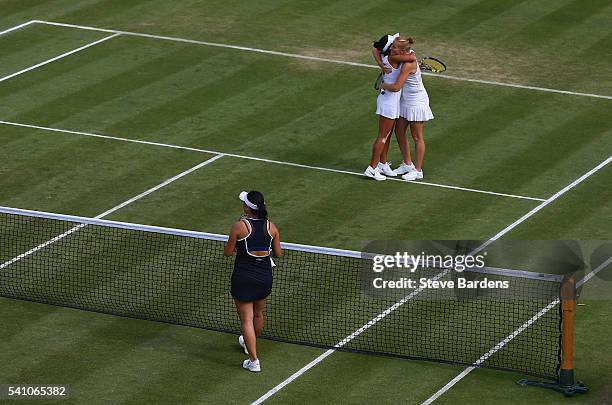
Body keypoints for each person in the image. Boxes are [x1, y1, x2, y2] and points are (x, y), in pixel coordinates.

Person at [224, 190, 282, 372]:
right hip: (264, 277)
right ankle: (249, 345)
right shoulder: (271, 227)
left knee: (246, 320)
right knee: (258, 314)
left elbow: (228, 252)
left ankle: (254, 360)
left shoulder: (239, 227)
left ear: (248, 208)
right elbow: (278, 254)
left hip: (243, 278)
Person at [380, 37, 434, 181]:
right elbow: (377, 49)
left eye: (395, 47)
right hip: (405, 100)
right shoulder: (408, 56)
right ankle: (407, 163)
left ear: (403, 51)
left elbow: (397, 87)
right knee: (399, 132)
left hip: (417, 102)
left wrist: (382, 85)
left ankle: (418, 170)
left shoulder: (408, 64)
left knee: (417, 136)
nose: (392, 49)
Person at [364, 35, 417, 181]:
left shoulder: (386, 56)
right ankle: (372, 168)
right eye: (392, 46)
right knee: (382, 136)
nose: (394, 47)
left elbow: (375, 48)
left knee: (386, 136)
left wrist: (380, 63)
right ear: (390, 49)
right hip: (388, 102)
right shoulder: (394, 58)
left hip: (390, 102)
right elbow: (412, 57)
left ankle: (382, 164)